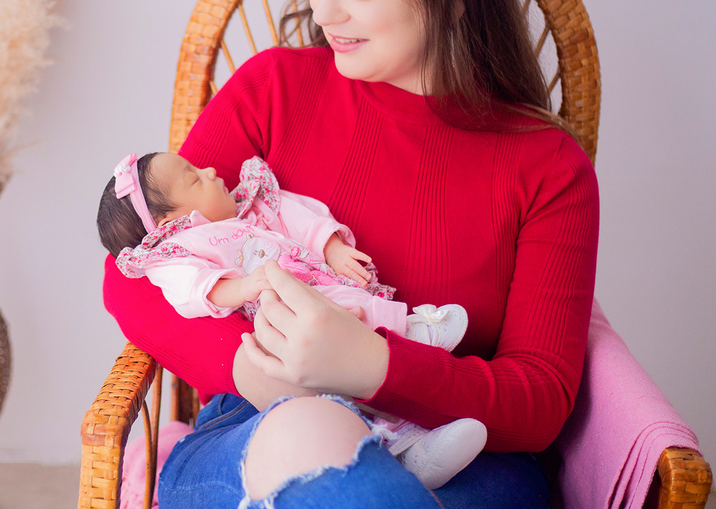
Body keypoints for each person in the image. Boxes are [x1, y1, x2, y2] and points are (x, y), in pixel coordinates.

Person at [102, 0, 599, 509]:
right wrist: (268, 381)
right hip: (250, 437)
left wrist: (376, 367)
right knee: (309, 432)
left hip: (462, 462)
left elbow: (539, 399)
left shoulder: (548, 168)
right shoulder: (273, 88)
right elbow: (132, 274)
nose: (327, 10)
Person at [97, 151, 488, 489]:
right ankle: (408, 427)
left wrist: (331, 248)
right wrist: (246, 286)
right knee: (339, 367)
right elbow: (197, 292)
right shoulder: (180, 251)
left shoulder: (253, 206)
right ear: (173, 224)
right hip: (284, 320)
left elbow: (300, 216)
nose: (212, 172)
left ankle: (415, 412)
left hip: (317, 291)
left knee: (348, 316)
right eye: (195, 179)